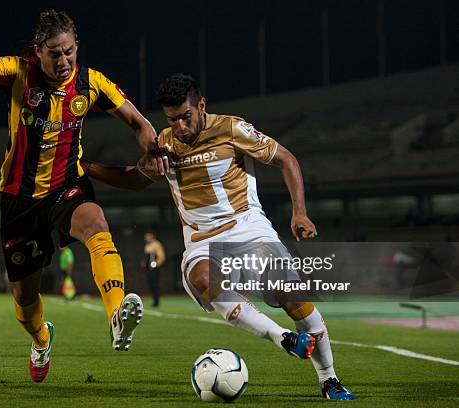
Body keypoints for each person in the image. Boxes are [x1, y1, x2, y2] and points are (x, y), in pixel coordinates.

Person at [0, 9, 168, 383]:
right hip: (19, 201)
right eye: (54, 53)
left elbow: (138, 123)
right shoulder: (17, 72)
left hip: (68, 186)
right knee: (24, 299)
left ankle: (116, 314)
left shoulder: (91, 83)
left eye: (69, 52)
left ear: (77, 47)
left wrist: (153, 148)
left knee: (97, 224)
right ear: (38, 51)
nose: (63, 61)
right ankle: (41, 338)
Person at [83, 74, 355, 400]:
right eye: (172, 119)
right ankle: (282, 337)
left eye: (186, 116)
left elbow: (286, 159)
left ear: (201, 106)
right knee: (202, 277)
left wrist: (299, 212)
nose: (181, 125)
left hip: (249, 228)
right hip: (201, 242)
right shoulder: (164, 145)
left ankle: (330, 379)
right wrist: (84, 167)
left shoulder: (232, 129)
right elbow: (133, 180)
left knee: (291, 295)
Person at [142, 232, 165, 307]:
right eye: (146, 237)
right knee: (150, 284)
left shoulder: (157, 244)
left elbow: (161, 257)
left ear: (152, 237)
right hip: (148, 268)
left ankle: (156, 301)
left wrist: (155, 264)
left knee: (155, 284)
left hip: (154, 269)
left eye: (148, 237)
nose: (147, 239)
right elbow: (146, 257)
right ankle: (154, 300)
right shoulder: (147, 246)